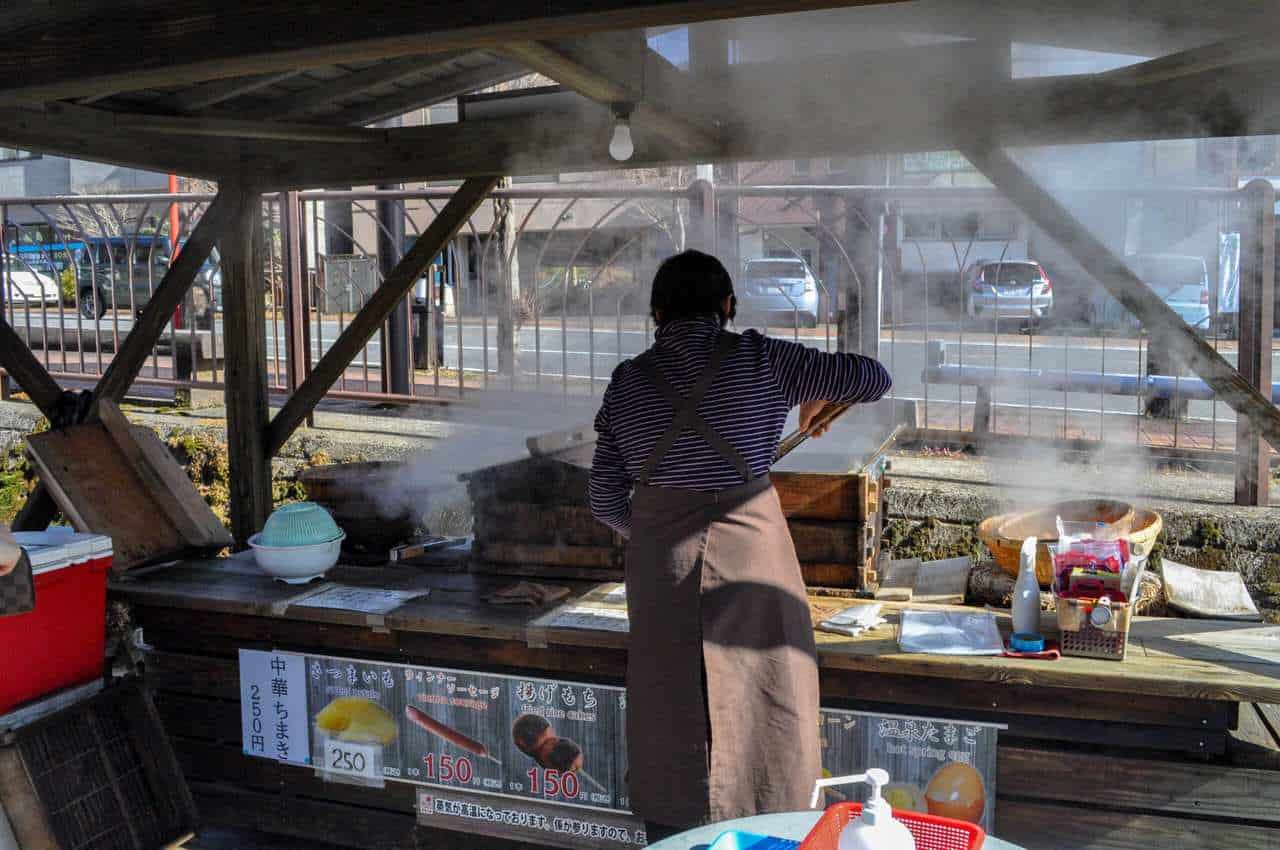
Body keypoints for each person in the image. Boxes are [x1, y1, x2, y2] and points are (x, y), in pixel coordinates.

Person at [589, 250, 891, 840]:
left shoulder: (627, 383)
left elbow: (604, 501)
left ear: (655, 312)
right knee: (767, 703)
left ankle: (678, 840)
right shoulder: (766, 359)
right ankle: (771, 831)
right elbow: (875, 378)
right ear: (728, 306)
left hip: (661, 574)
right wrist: (817, 397)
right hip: (756, 562)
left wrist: (658, 534)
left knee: (670, 713)